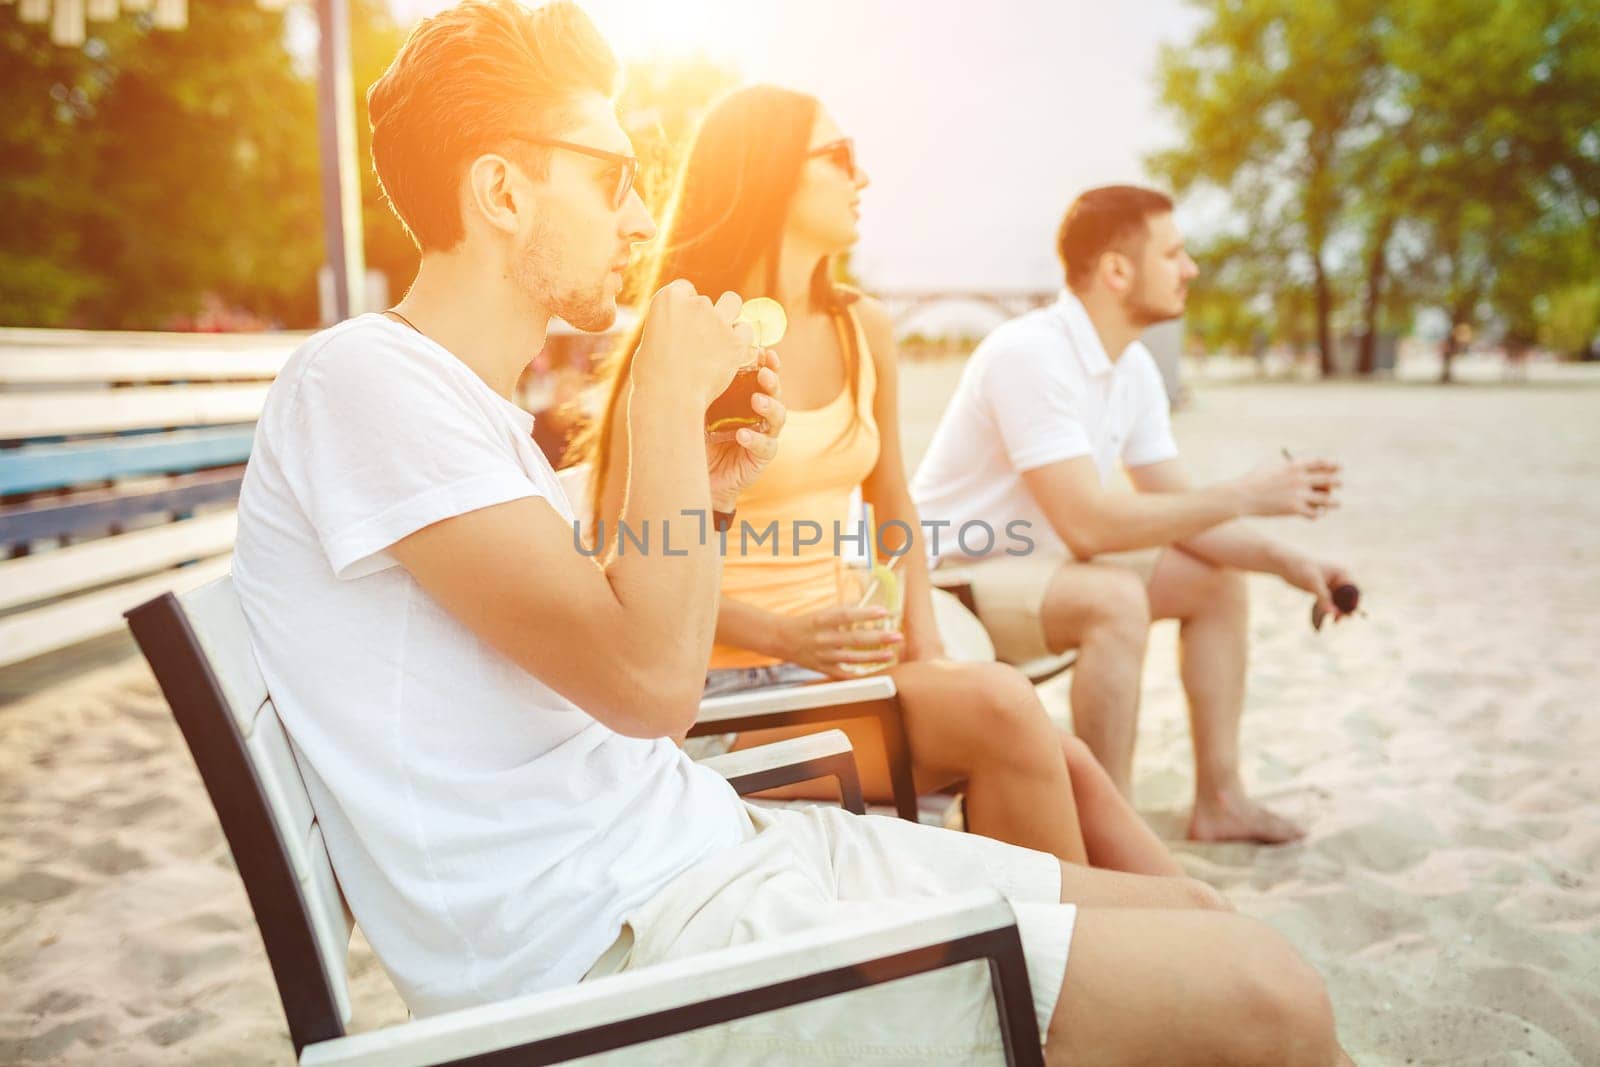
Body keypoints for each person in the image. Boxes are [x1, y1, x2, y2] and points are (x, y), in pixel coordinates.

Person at [231, 5, 1349, 1061]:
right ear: (500, 191)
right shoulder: (364, 382)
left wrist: (710, 494)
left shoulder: (473, 420)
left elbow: (626, 644)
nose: (635, 215)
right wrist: (666, 402)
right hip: (631, 951)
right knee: (1271, 1000)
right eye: (612, 176)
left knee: (1201, 912)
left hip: (710, 858)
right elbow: (653, 687)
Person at [577, 85, 1178, 876]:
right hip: (724, 696)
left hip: (843, 675)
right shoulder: (687, 336)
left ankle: (1187, 930)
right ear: (773, 174)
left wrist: (924, 649)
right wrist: (785, 635)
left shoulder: (864, 327)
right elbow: (627, 562)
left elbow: (893, 507)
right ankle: (1093, 954)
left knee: (1059, 758)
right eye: (840, 157)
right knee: (1006, 711)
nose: (862, 177)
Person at [912, 185, 1359, 844]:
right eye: (1174, 253)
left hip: (1037, 572)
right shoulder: (1030, 353)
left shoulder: (1133, 369)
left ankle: (1221, 801)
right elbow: (1087, 524)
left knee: (1214, 580)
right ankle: (1109, 829)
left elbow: (1179, 510)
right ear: (1117, 271)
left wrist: (1291, 562)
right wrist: (1246, 491)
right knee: (1115, 598)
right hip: (948, 587)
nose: (1190, 269)